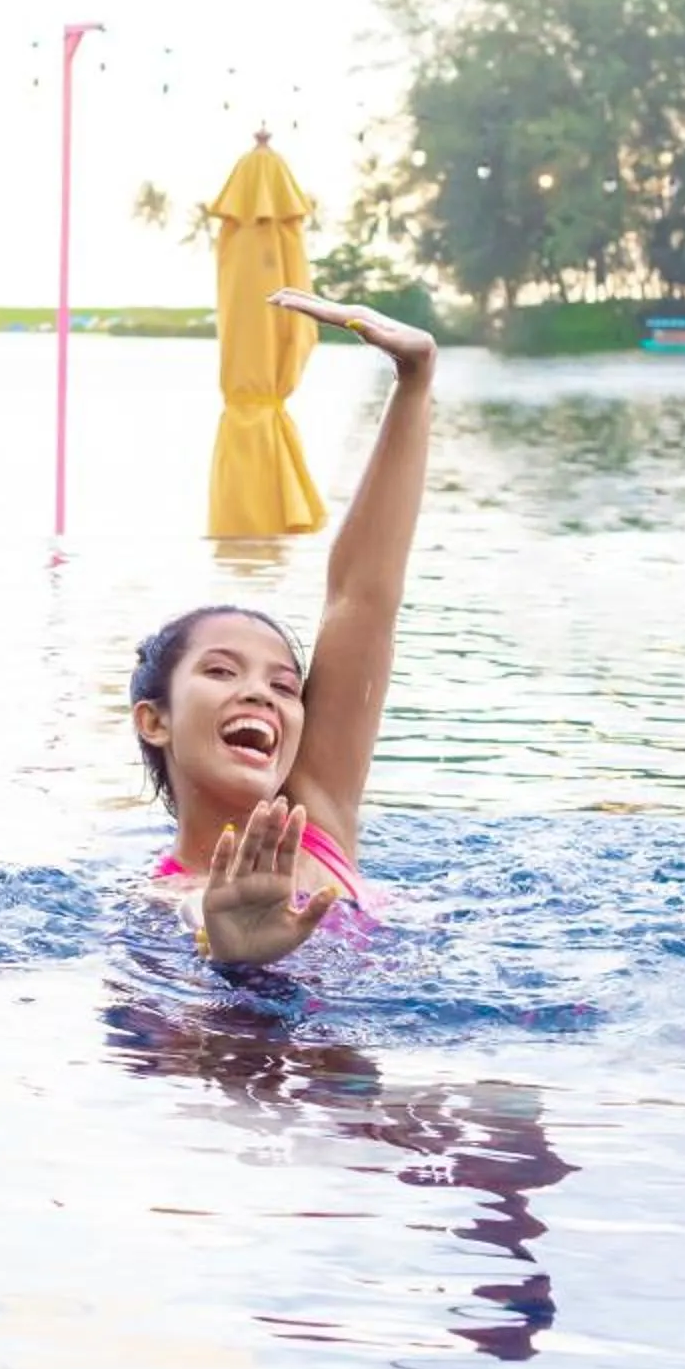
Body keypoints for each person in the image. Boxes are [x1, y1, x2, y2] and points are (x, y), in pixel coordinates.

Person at [130, 290, 436, 964]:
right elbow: (187, 923)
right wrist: (235, 960)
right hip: (270, 1052)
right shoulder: (159, 903)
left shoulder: (317, 815)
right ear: (154, 720)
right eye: (219, 670)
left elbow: (363, 597)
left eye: (284, 684)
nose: (262, 694)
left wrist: (414, 384)